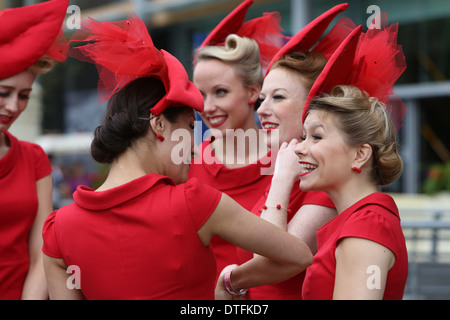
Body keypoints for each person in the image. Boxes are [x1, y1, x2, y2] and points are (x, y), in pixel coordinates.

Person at [42, 14, 313, 300]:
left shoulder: (57, 229)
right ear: (158, 125)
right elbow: (297, 255)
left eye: (220, 92)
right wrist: (227, 286)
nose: (192, 144)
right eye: (188, 127)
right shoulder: (193, 199)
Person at [232, 4, 352, 300]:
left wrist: (230, 281)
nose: (262, 109)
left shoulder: (324, 184)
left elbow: (275, 258)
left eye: (278, 97)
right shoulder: (288, 170)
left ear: (313, 106)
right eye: (262, 98)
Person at [295, 14, 408, 300]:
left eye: (316, 136)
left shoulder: (368, 224)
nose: (299, 148)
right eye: (303, 136)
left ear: (360, 154)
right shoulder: (360, 221)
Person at [189, 0, 288, 279]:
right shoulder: (186, 166)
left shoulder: (289, 162)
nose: (207, 107)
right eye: (201, 93)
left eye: (220, 92)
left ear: (253, 92)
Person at [0, 0, 68, 299]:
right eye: (4, 93)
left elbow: (42, 252)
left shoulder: (33, 158)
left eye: (24, 95)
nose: (14, 106)